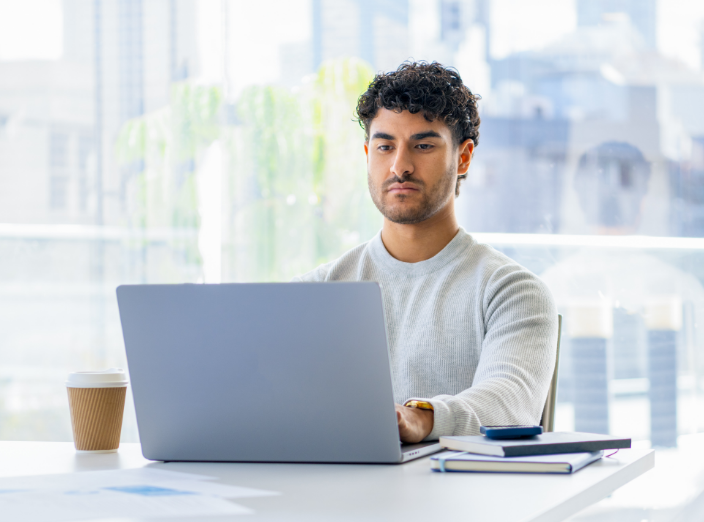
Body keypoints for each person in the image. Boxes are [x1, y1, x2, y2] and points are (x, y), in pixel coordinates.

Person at [292, 62, 558, 443]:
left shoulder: (512, 291)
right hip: (338, 494)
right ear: (368, 153)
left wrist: (422, 418)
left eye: (423, 146)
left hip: (461, 496)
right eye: (385, 147)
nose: (399, 166)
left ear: (463, 158)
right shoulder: (316, 291)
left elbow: (510, 403)